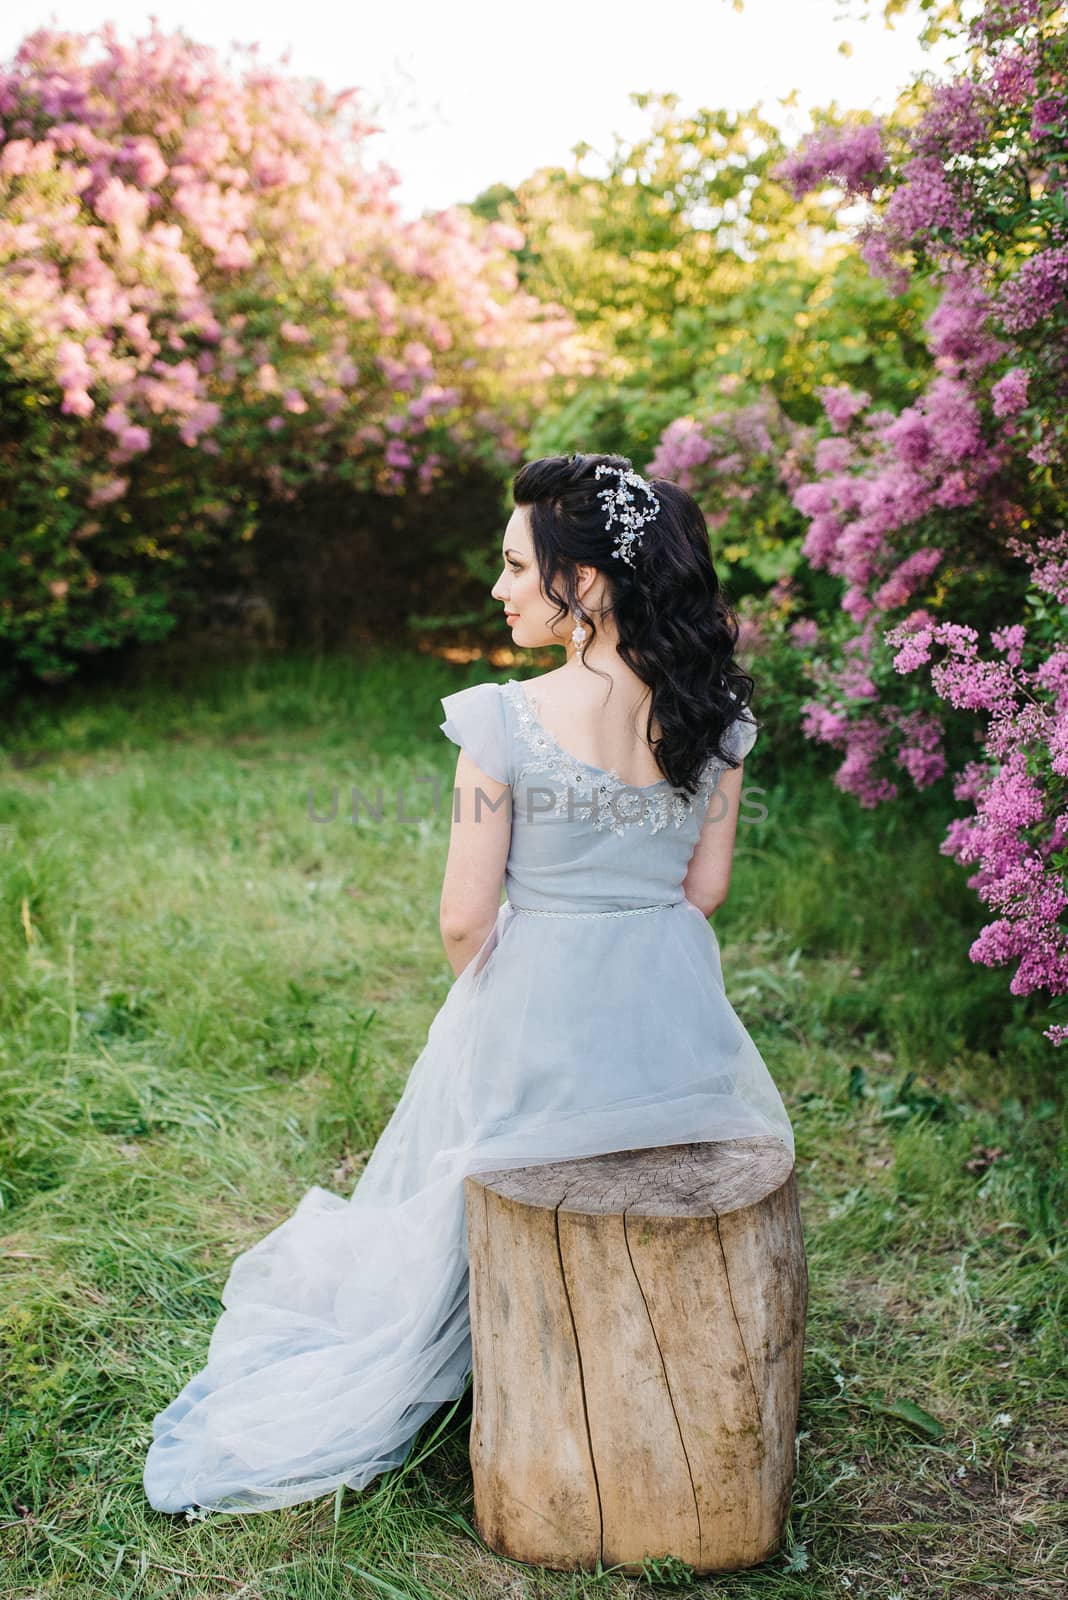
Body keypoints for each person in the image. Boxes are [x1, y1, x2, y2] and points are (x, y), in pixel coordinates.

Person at [142, 451, 795, 1517]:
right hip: (673, 1030)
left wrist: (488, 1010)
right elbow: (704, 892)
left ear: (580, 583)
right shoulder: (712, 719)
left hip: (537, 1016)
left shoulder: (503, 719)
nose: (498, 590)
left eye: (513, 567)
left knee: (463, 1156)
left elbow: (463, 916)